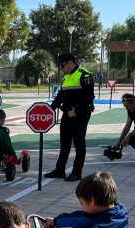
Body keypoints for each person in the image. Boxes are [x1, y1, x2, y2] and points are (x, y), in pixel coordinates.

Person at [45, 53, 95, 182]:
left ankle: (77, 172)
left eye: (62, 65)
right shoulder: (66, 77)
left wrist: (75, 109)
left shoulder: (84, 74)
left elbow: (88, 96)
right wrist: (51, 108)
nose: (61, 68)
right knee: (65, 142)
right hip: (67, 112)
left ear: (70, 63)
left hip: (81, 113)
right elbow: (61, 95)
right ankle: (59, 170)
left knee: (79, 143)